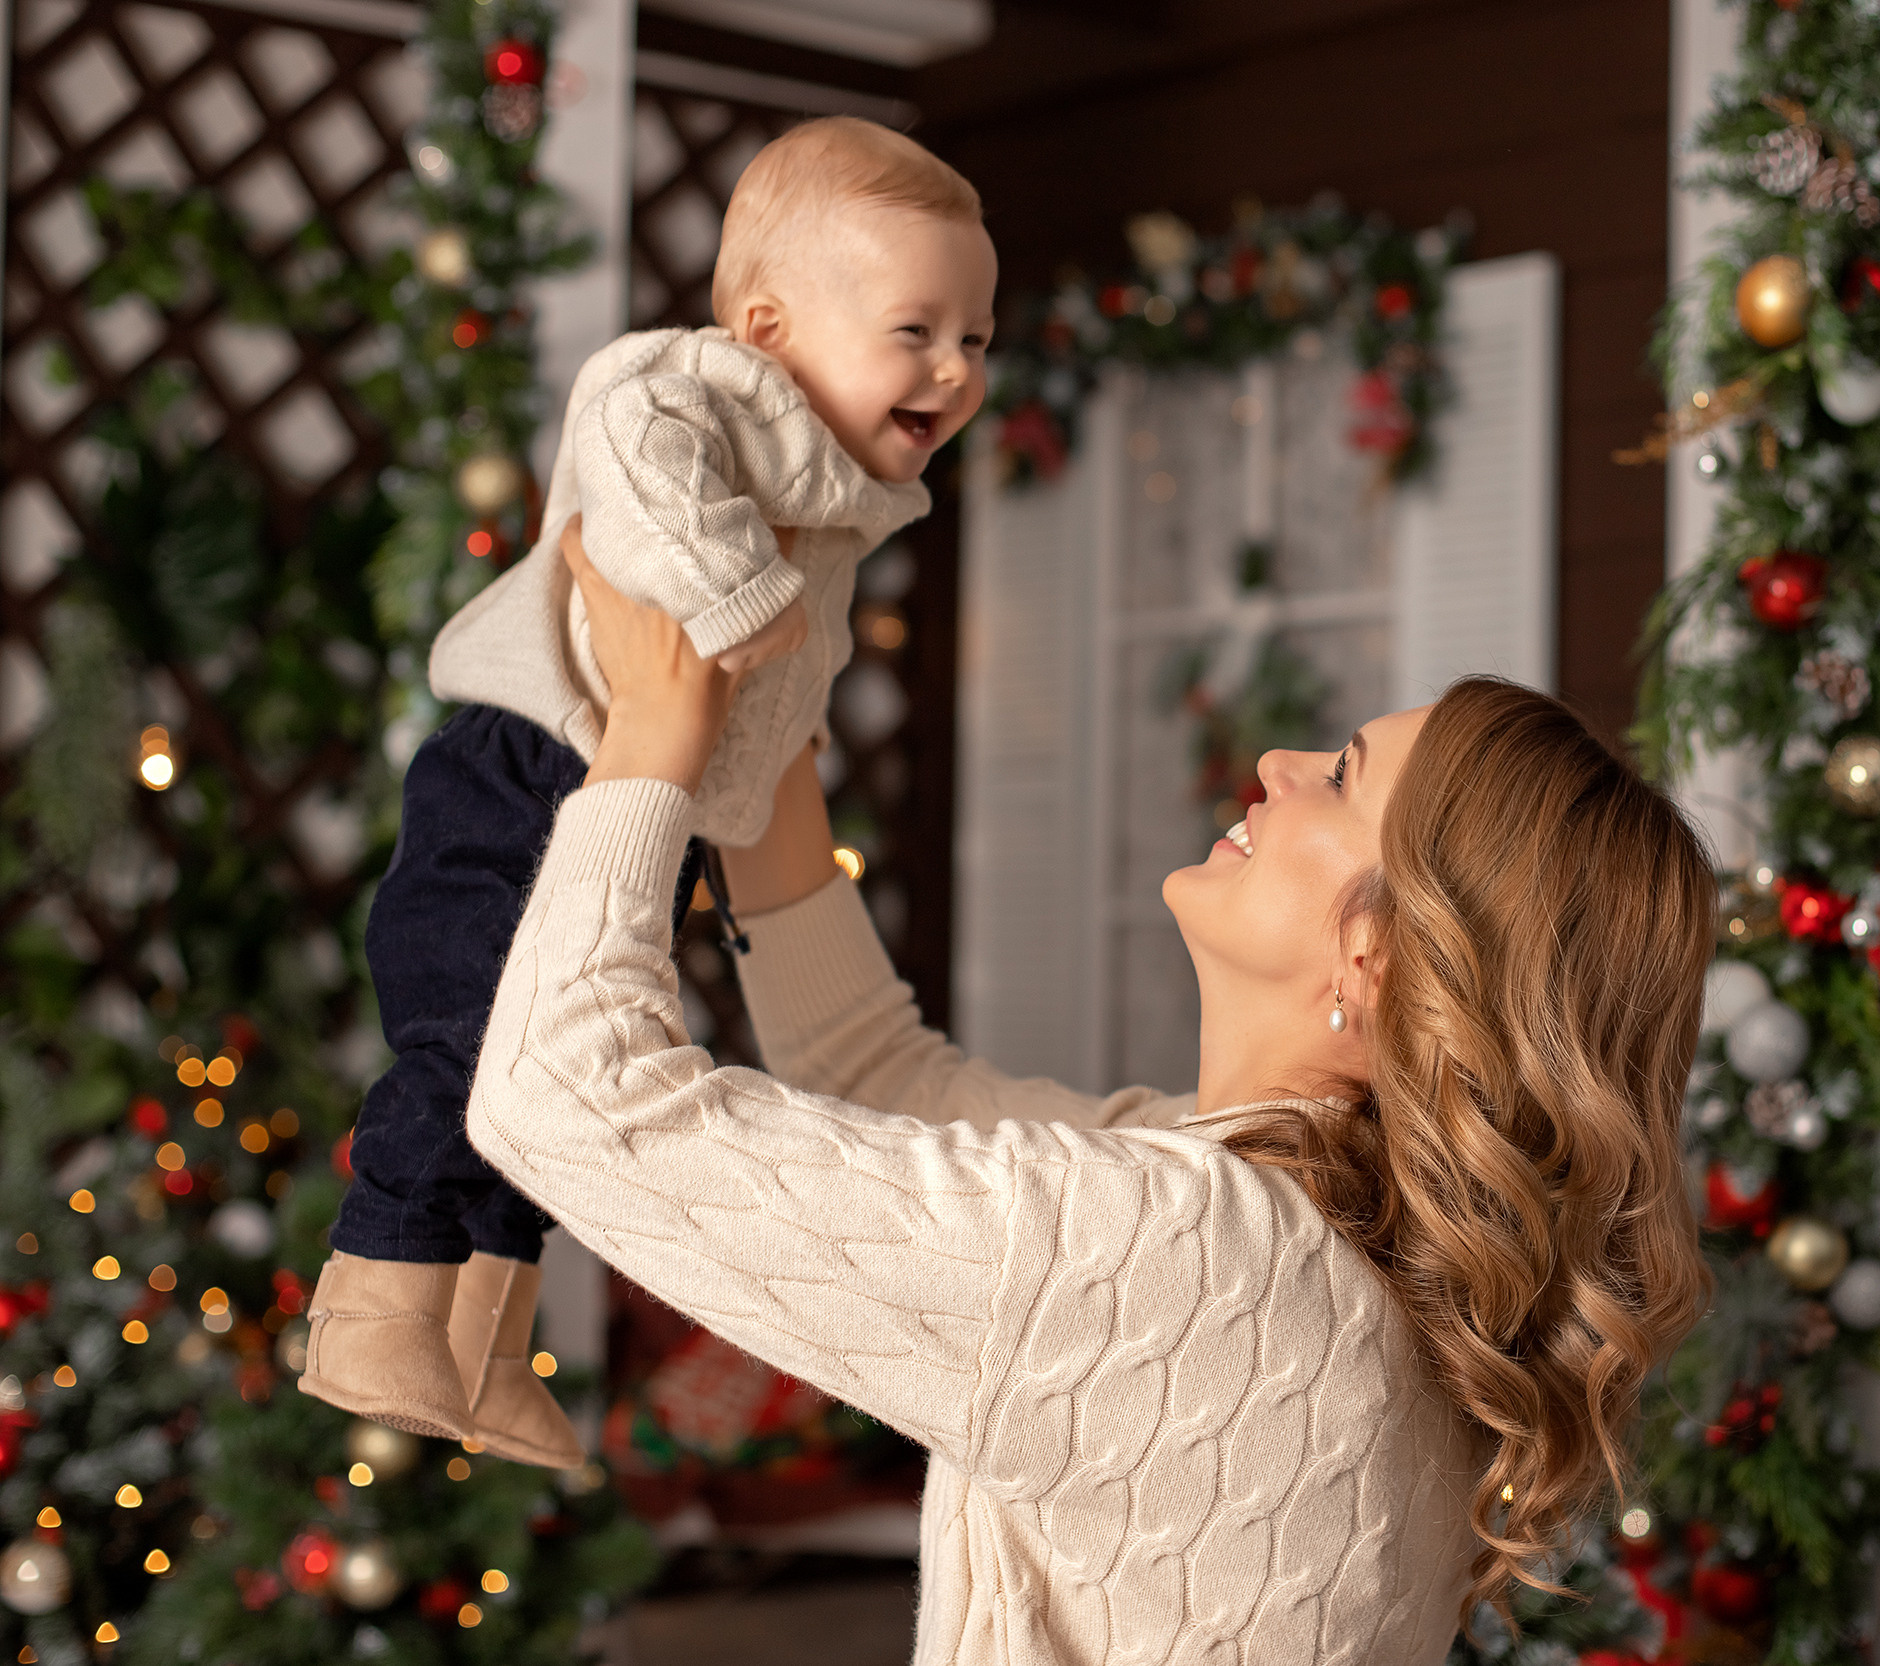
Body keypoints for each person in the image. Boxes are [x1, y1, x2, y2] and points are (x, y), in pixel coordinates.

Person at [464, 522, 1718, 1660]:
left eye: (1338, 775)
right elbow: (881, 1079)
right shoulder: (1304, 1227)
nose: (1278, 763)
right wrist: (770, 743)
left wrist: (650, 746)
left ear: (1378, 955)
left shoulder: (1188, 1254)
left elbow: (559, 1092)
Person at [302, 117, 998, 1468]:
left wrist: (750, 793)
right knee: (468, 1037)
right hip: (527, 767)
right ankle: (375, 1297)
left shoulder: (847, 495)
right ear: (766, 323)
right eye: (918, 329)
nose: (957, 367)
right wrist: (733, 592)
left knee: (560, 1077)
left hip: (643, 803)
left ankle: (483, 1339)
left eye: (978, 337)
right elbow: (626, 419)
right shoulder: (708, 391)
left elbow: (775, 702)